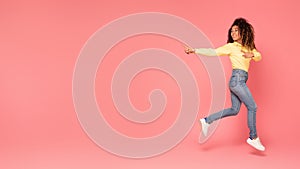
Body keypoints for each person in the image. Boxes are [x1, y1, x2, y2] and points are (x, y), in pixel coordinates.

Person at [184, 18, 265, 151]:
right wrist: (195, 50)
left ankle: (207, 120)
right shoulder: (230, 47)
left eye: (236, 30)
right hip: (237, 80)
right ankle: (253, 137)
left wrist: (252, 54)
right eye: (231, 31)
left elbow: (258, 56)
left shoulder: (248, 47)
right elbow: (213, 52)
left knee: (234, 110)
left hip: (239, 81)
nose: (233, 33)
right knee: (253, 107)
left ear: (243, 32)